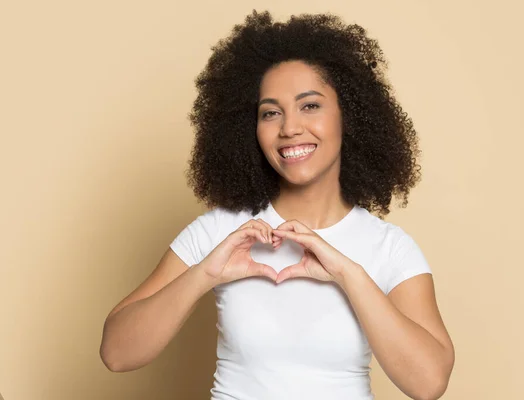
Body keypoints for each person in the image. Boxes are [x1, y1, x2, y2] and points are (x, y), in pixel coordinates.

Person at [100, 10, 454, 400]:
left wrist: (346, 273)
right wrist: (205, 275)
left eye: (310, 106)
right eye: (271, 112)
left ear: (348, 116)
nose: (289, 128)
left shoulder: (389, 247)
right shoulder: (221, 232)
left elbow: (429, 383)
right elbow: (116, 353)